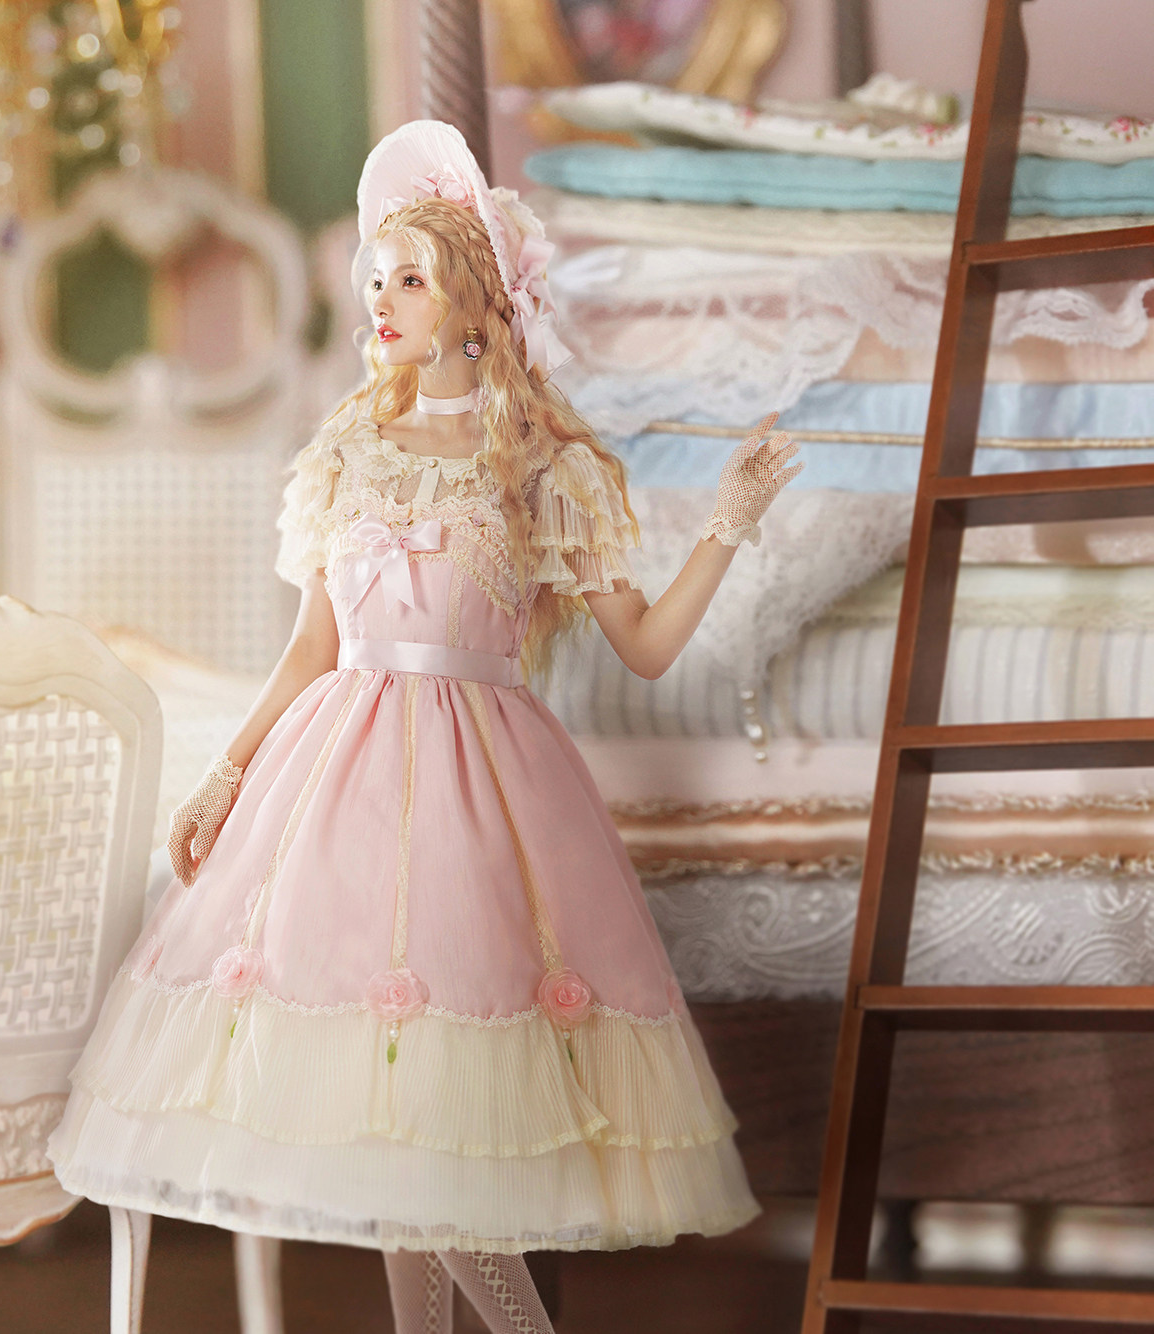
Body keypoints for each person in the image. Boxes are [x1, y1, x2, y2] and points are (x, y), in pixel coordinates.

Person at [45, 120, 802, 1334]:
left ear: (471, 305)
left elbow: (646, 644)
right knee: (388, 1131)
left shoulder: (538, 463)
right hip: (334, 791)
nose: (381, 300)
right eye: (375, 279)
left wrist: (727, 520)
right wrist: (223, 775)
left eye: (409, 278)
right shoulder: (346, 447)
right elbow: (311, 647)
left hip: (476, 799)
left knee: (436, 1120)